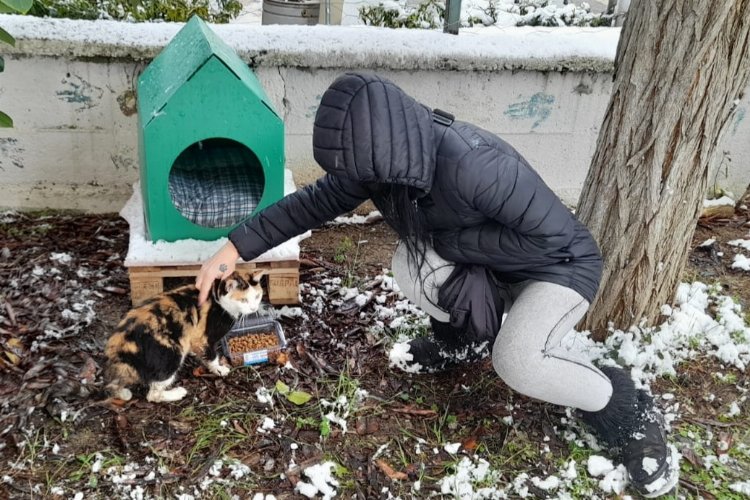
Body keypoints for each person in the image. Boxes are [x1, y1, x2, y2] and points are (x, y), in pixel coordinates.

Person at [196, 72, 677, 497]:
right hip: (487, 264)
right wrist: (232, 249)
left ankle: (628, 409)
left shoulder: (475, 164)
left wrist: (453, 248)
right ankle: (463, 342)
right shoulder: (383, 165)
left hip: (557, 269)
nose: (348, 180)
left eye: (353, 172)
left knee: (517, 360)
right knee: (411, 261)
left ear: (383, 147)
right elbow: (310, 204)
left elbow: (552, 237)